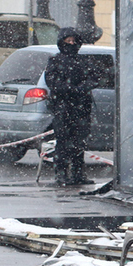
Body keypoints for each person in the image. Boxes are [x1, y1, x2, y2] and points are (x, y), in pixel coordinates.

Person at [44, 28, 94, 186]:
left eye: (74, 41)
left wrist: (82, 88)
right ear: (62, 42)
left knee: (79, 143)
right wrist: (70, 90)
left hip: (81, 109)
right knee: (63, 143)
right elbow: (52, 82)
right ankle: (61, 174)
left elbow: (93, 78)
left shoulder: (83, 61)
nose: (71, 44)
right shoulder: (55, 61)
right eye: (68, 41)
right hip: (63, 108)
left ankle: (78, 174)